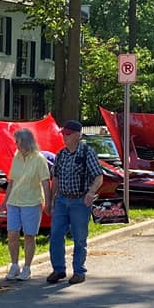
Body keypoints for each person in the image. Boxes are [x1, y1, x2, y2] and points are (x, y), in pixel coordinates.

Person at [48, 119, 104, 285]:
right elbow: (55, 178)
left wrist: (90, 193)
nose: (64, 137)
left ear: (77, 135)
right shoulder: (61, 154)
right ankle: (58, 269)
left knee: (79, 238)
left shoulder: (87, 152)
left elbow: (98, 177)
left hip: (80, 202)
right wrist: (51, 199)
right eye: (63, 133)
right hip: (62, 200)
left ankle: (79, 271)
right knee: (56, 235)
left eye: (68, 134)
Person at [4, 128, 52, 281]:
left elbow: (45, 182)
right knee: (12, 234)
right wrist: (4, 201)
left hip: (31, 202)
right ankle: (14, 265)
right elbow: (11, 181)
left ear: (25, 142)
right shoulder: (16, 157)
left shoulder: (39, 159)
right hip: (14, 201)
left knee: (29, 236)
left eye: (17, 141)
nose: (15, 144)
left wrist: (48, 202)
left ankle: (27, 267)